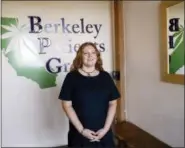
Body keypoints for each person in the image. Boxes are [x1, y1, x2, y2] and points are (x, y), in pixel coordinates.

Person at [58, 42, 120, 148]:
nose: (90, 56)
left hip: (103, 134)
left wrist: (105, 129)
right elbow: (66, 105)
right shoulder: (71, 77)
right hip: (80, 134)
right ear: (80, 57)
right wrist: (82, 130)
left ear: (97, 56)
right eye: (86, 53)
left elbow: (113, 103)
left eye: (93, 52)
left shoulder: (105, 77)